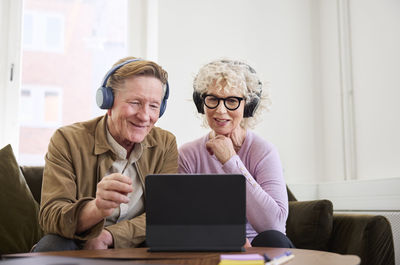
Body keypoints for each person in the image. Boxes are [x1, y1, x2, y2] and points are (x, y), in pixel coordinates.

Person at [34, 57, 178, 251]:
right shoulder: (67, 140)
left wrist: (110, 236)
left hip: (135, 241)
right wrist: (97, 208)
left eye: (154, 106)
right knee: (52, 245)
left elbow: (164, 213)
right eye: (135, 102)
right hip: (78, 241)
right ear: (107, 101)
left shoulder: (165, 144)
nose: (145, 116)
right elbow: (51, 217)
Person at [178, 59, 293, 248]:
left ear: (247, 106)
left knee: (272, 238)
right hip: (212, 245)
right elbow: (182, 219)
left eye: (232, 100)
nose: (220, 110)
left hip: (262, 248)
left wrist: (231, 161)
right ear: (202, 103)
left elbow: (275, 225)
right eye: (213, 99)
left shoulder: (264, 152)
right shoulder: (188, 154)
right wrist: (229, 237)